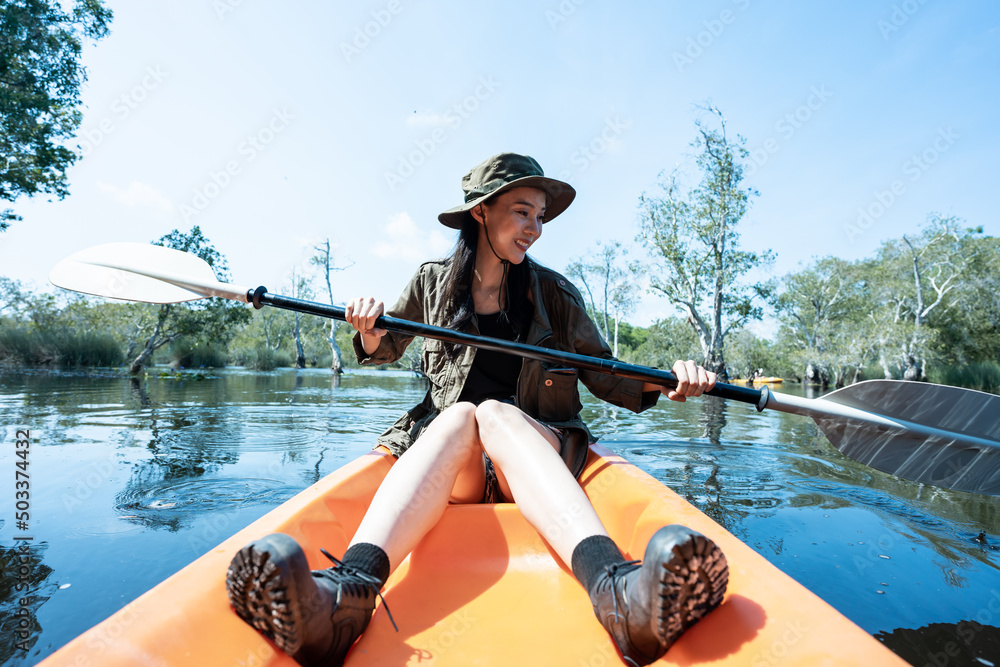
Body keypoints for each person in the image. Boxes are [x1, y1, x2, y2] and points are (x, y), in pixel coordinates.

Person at [226, 152, 729, 667]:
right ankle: (347, 594)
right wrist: (368, 327)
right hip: (460, 466)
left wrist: (671, 383)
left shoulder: (555, 294)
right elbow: (385, 344)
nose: (534, 227)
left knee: (492, 413)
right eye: (521, 212)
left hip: (536, 452)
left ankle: (613, 588)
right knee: (462, 416)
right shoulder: (432, 282)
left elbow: (605, 373)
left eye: (539, 216)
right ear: (482, 212)